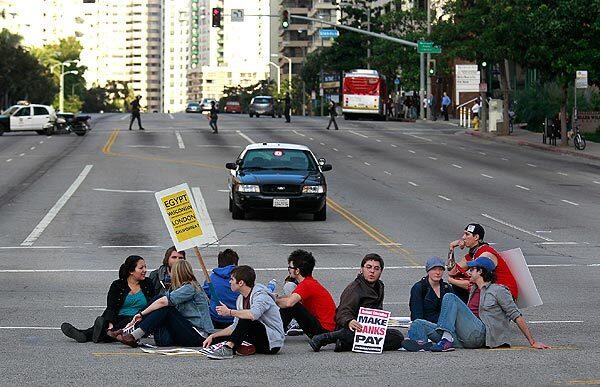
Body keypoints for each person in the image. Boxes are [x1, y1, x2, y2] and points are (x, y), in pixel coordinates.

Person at [403, 257, 550, 352]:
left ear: (480, 272)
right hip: (464, 336)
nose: (469, 272)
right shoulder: (473, 289)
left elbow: (516, 315)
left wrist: (532, 341)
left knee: (449, 297)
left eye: (472, 269)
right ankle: (420, 342)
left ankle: (445, 339)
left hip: (480, 334)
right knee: (418, 323)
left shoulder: (498, 290)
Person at [309, 253, 404, 352]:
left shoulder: (380, 286)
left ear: (381, 272)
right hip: (350, 327)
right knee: (351, 333)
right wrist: (350, 321)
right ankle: (326, 338)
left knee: (397, 337)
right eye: (368, 267)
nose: (372, 271)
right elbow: (342, 312)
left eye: (376, 268)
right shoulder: (354, 289)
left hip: (369, 329)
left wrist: (380, 323)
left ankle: (346, 345)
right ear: (361, 269)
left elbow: (378, 309)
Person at [116, 260, 215, 347]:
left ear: (177, 273)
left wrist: (142, 314)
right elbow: (159, 301)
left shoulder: (190, 287)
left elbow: (163, 302)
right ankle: (130, 329)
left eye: (171, 271)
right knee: (159, 301)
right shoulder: (179, 288)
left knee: (165, 307)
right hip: (187, 330)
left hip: (198, 334)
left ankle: (134, 335)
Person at [60, 255, 155, 343]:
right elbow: (111, 307)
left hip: (138, 318)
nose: (145, 270)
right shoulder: (117, 285)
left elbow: (153, 303)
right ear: (131, 271)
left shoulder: (148, 283)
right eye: (141, 268)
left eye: (145, 267)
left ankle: (99, 334)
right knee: (106, 321)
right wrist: (110, 324)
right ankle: (90, 334)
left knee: (123, 324)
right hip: (118, 317)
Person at [202, 265, 285, 359]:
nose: (229, 282)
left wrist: (229, 312)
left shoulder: (261, 296)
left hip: (271, 343)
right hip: (255, 338)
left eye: (232, 279)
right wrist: (213, 336)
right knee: (217, 338)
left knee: (246, 317)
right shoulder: (240, 299)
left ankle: (229, 349)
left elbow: (253, 314)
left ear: (240, 282)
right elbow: (235, 327)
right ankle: (236, 346)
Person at [447, 223, 518, 303]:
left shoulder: (485, 253)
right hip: (493, 291)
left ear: (476, 237)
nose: (463, 237)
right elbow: (452, 272)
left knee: (457, 284)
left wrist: (452, 281)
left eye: (467, 234)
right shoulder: (473, 253)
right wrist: (451, 247)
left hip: (505, 293)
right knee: (457, 283)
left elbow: (476, 284)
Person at [276, 250, 337, 339]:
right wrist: (277, 298)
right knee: (289, 302)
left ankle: (275, 333)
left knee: (291, 305)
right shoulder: (309, 282)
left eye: (290, 267)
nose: (288, 269)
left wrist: (272, 300)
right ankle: (276, 330)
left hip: (324, 331)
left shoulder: (306, 284)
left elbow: (289, 303)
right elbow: (289, 298)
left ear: (297, 271)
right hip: (325, 327)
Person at [203, 249, 240, 329]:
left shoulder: (211, 278)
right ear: (235, 264)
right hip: (236, 318)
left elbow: (204, 295)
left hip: (215, 318)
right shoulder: (241, 278)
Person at [409, 256, 454, 323]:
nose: (438, 272)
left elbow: (452, 311)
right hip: (425, 327)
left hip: (445, 326)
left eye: (441, 269)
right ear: (428, 271)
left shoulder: (447, 288)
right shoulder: (419, 288)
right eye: (434, 269)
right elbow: (416, 315)